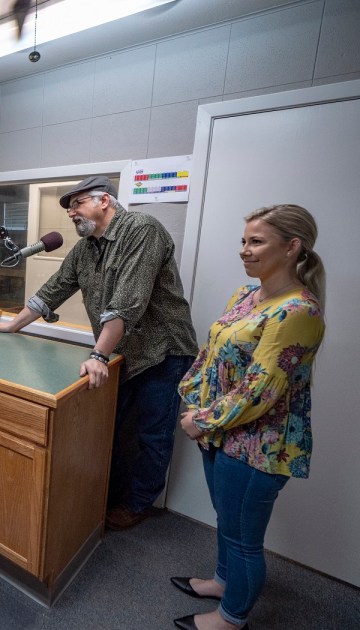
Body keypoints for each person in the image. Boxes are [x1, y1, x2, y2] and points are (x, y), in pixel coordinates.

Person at [0, 175, 198, 530]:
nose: (71, 212)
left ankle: (137, 504)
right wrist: (14, 325)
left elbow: (127, 303)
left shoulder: (142, 229)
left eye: (77, 203)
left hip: (163, 352)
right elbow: (53, 289)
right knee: (111, 430)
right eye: (69, 207)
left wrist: (98, 355)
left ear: (104, 201)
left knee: (153, 435)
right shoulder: (86, 249)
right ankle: (108, 495)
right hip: (121, 352)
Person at [172, 204, 326, 630]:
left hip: (259, 444)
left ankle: (231, 617)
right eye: (243, 241)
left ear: (292, 247)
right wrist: (195, 403)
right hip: (222, 432)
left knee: (243, 539)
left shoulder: (298, 311)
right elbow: (214, 353)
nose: (244, 250)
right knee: (228, 521)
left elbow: (259, 389)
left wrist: (202, 421)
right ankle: (223, 583)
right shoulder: (246, 295)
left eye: (256, 241)